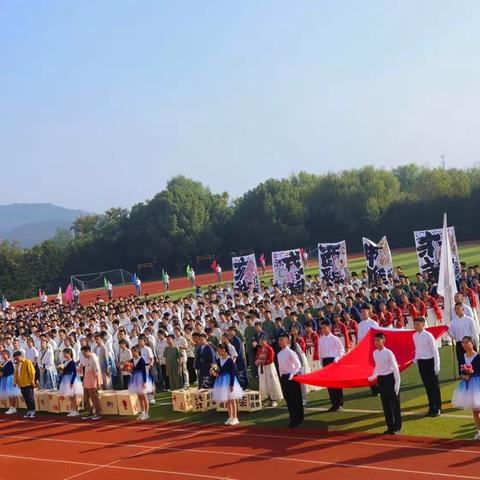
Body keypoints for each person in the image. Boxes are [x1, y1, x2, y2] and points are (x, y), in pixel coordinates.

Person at [368, 332, 402, 435]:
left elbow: (395, 368)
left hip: (390, 379)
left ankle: (397, 427)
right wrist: (373, 376)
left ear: (383, 341)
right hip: (381, 380)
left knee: (394, 404)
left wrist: (397, 384)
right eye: (375, 340)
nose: (376, 342)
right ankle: (390, 427)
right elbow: (377, 367)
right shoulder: (375, 353)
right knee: (386, 404)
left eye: (378, 340)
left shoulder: (388, 353)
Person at [452, 336, 480, 439]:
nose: (464, 345)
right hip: (467, 385)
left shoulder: (478, 357)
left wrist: (471, 375)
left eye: (467, 342)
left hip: (477, 384)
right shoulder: (462, 357)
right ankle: (479, 431)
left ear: (472, 343)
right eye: (463, 343)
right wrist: (463, 376)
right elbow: (461, 370)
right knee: (475, 410)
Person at [413, 317, 442, 417]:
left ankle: (437, 407)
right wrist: (416, 359)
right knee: (427, 385)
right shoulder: (415, 336)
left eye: (417, 324)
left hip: (430, 362)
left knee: (434, 386)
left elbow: (435, 351)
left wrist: (437, 365)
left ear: (423, 324)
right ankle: (431, 406)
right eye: (414, 324)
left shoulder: (428, 335)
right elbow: (417, 349)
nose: (415, 326)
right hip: (422, 363)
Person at [211, 343, 243, 425]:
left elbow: (232, 372)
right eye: (217, 351)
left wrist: (231, 384)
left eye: (219, 350)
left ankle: (235, 417)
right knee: (227, 401)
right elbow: (219, 371)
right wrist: (214, 372)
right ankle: (230, 417)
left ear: (223, 350)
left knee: (232, 400)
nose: (218, 352)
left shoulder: (230, 360)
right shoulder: (218, 360)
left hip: (229, 380)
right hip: (222, 381)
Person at [277, 333, 303, 427]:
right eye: (279, 340)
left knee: (296, 399)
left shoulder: (291, 352)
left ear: (287, 341)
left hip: (292, 376)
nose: (280, 342)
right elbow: (280, 367)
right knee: (288, 399)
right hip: (284, 377)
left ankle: (299, 419)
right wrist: (281, 376)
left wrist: (291, 375)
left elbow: (298, 365)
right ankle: (292, 419)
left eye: (282, 340)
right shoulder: (279, 354)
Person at [319, 321, 345, 411]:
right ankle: (334, 403)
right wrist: (321, 362)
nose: (323, 330)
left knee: (336, 383)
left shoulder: (334, 338)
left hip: (334, 361)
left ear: (329, 328)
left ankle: (340, 403)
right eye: (322, 328)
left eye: (324, 328)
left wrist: (337, 358)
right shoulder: (321, 339)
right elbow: (321, 352)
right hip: (326, 361)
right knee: (329, 384)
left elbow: (341, 350)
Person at [449, 303, 479, 374]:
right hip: (460, 344)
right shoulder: (453, 322)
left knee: (473, 361)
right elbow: (454, 336)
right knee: (462, 362)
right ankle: (464, 378)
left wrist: (477, 344)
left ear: (463, 309)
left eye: (458, 309)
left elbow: (475, 333)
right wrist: (448, 331)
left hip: (470, 343)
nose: (457, 311)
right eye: (455, 309)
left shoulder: (469, 320)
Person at [255, 335, 283, 407]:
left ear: (265, 340)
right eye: (260, 340)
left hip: (269, 367)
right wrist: (258, 361)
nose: (260, 342)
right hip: (262, 368)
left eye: (262, 340)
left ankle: (274, 399)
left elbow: (271, 359)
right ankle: (267, 398)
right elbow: (257, 357)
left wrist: (263, 361)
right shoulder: (259, 349)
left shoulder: (269, 348)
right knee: (264, 383)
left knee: (271, 382)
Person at [129, 345, 153, 420]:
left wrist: (144, 382)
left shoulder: (141, 360)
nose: (132, 353)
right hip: (135, 380)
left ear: (137, 352)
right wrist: (129, 370)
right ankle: (142, 412)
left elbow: (143, 371)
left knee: (144, 396)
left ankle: (146, 413)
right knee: (139, 397)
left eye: (133, 352)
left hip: (141, 380)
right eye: (132, 351)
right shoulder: (131, 360)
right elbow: (132, 370)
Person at [58, 348, 83, 417]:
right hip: (65, 379)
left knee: (74, 396)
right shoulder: (64, 362)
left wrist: (72, 382)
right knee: (70, 396)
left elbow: (74, 373)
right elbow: (63, 371)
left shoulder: (72, 362)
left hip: (71, 379)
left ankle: (76, 410)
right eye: (63, 354)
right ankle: (72, 409)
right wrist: (61, 371)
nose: (64, 355)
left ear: (69, 354)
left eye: (65, 353)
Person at [13, 350, 37, 419]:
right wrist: (15, 382)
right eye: (15, 359)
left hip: (28, 384)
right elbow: (16, 374)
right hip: (21, 384)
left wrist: (32, 382)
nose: (16, 360)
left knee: (30, 398)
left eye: (16, 358)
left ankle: (33, 411)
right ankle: (29, 411)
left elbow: (32, 372)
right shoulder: (17, 364)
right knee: (26, 399)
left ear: (20, 356)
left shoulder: (27, 362)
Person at [81, 345, 103, 420]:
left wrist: (98, 382)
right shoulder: (87, 359)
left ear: (88, 351)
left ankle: (98, 413)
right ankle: (90, 412)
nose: (83, 355)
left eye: (84, 353)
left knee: (94, 398)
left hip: (93, 381)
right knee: (86, 398)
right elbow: (86, 371)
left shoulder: (94, 358)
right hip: (87, 380)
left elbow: (97, 370)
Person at [0, 350, 20, 415]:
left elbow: (11, 371)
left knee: (11, 393)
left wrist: (3, 374)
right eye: (2, 355)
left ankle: (13, 407)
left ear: (8, 355)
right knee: (9, 394)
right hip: (5, 379)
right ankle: (12, 407)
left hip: (10, 379)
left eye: (4, 354)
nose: (3, 356)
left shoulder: (10, 362)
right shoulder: (3, 363)